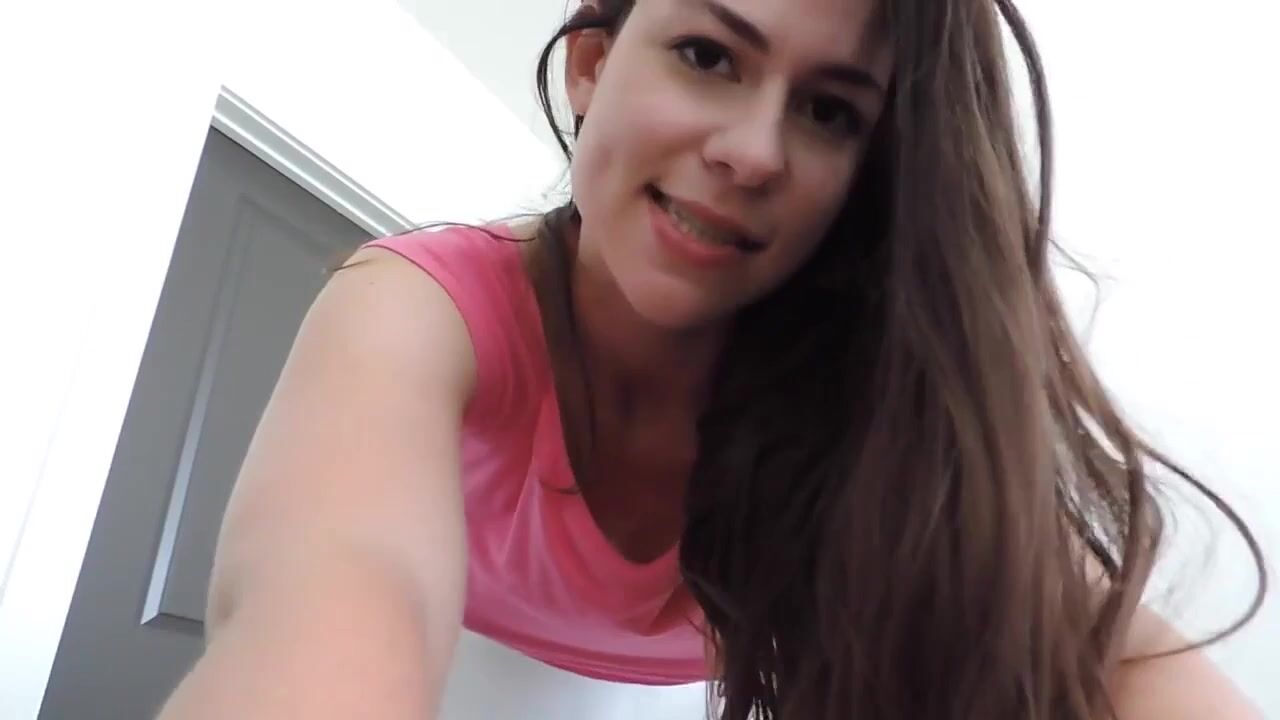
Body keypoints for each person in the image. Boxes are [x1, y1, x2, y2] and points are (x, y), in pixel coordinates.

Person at [158, 0, 1267, 718]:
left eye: (828, 113)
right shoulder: (415, 311)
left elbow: (1115, 650)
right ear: (591, 65)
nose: (751, 152)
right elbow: (336, 603)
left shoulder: (864, 416)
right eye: (706, 56)